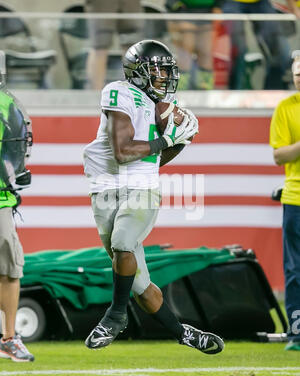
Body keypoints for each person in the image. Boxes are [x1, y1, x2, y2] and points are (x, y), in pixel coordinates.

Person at [83, 39, 224, 354]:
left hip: (143, 188)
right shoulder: (119, 92)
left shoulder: (159, 106)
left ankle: (115, 315)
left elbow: (153, 161)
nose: (162, 76)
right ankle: (184, 334)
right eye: (156, 69)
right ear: (137, 72)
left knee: (122, 242)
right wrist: (165, 139)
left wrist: (178, 141)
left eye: (165, 69)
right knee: (140, 287)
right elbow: (122, 152)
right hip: (106, 188)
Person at [0, 51, 34, 362]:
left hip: (0, 198)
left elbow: (16, 151)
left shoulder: (7, 104)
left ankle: (8, 338)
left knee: (10, 270)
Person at [269, 50, 300, 351]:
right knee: (295, 269)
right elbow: (279, 155)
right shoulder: (285, 108)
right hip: (296, 196)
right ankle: (297, 331)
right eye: (296, 71)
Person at [221, 0, 298, 90]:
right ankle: (235, 91)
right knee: (237, 49)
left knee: (280, 50)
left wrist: (293, 7)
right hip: (231, 3)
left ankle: (272, 90)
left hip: (261, 2)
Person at [84, 0, 143, 90]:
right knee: (100, 47)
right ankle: (96, 94)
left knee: (132, 49)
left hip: (131, 3)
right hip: (101, 4)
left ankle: (134, 93)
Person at [165, 0, 222, 90]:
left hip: (209, 13)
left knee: (206, 53)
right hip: (185, 13)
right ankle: (180, 89)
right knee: (185, 52)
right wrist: (177, 7)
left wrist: (219, 6)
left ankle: (205, 89)